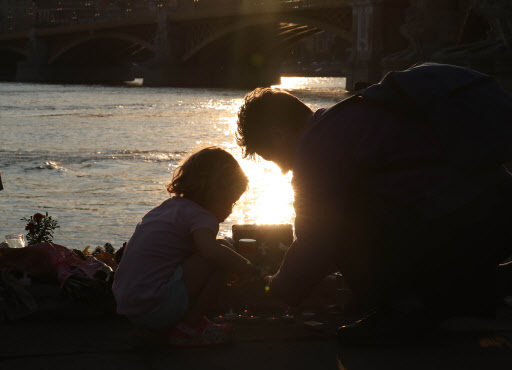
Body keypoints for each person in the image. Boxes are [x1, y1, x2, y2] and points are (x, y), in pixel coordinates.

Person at [236, 63, 512, 344]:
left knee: (341, 221)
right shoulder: (352, 117)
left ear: (277, 135)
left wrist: (275, 290)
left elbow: (316, 240)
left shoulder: (315, 146)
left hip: (463, 221)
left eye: (271, 157)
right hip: (495, 208)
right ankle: (469, 294)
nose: (282, 170)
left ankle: (400, 311)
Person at [113, 146, 258, 346]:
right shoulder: (201, 216)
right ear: (216, 191)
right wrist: (248, 267)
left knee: (220, 247)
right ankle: (189, 327)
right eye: (230, 201)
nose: (230, 210)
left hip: (132, 307)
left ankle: (168, 325)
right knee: (220, 257)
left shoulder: (169, 208)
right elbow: (210, 252)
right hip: (154, 307)